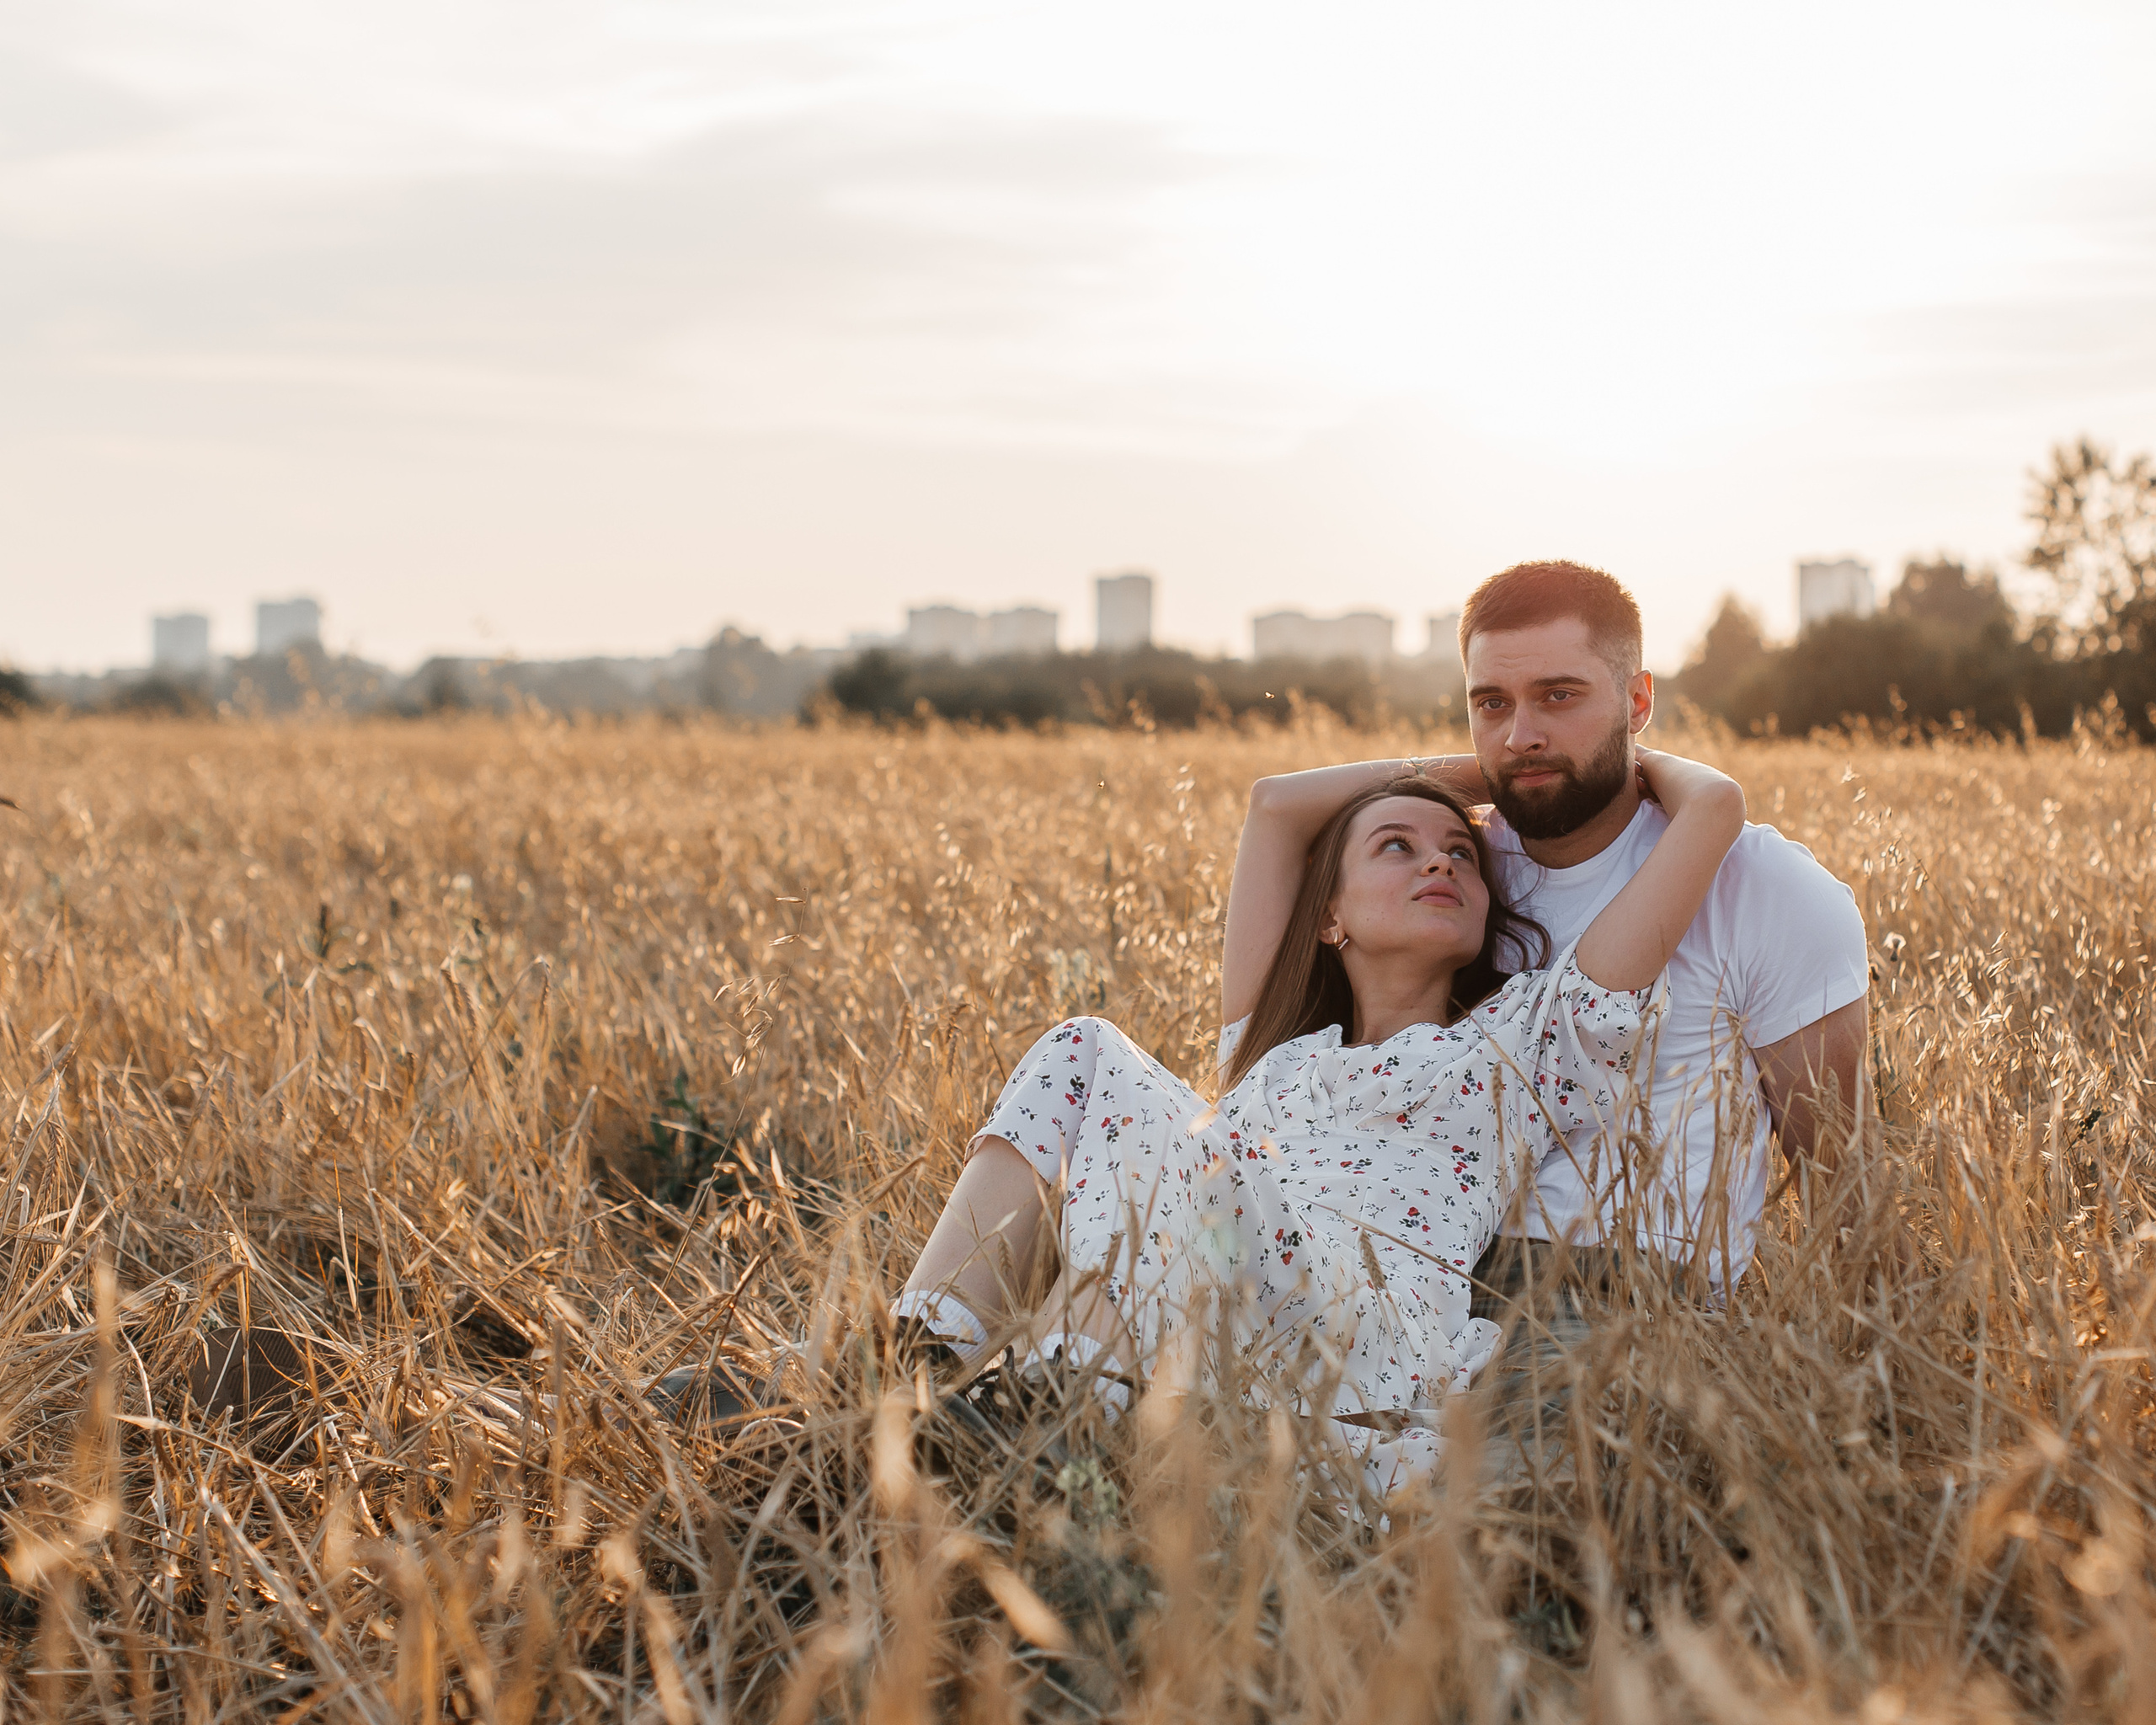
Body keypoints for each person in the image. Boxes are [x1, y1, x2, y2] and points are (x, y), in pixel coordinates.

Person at [889, 745, 1747, 1497]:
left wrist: (1549, 776)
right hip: (1222, 1301)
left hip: (1352, 1326)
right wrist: (1482, 771)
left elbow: (1712, 809)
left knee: (1102, 1060)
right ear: (1330, 915)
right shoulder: (1277, 1052)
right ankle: (943, 1390)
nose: (1440, 863)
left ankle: (972, 1391)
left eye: (1461, 854)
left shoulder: (1522, 1041)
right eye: (1396, 846)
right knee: (1109, 1133)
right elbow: (1276, 802)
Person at [1243, 560, 1873, 1482]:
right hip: (1419, 1273)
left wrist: (1861, 1395)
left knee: (1475, 1521)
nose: (1523, 731)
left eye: (1561, 696)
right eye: (1489, 703)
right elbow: (1279, 818)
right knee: (1274, 1482)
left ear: (1638, 699)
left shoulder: (1760, 885)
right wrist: (1491, 772)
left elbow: (1844, 1171)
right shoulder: (1453, 875)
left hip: (1620, 1287)